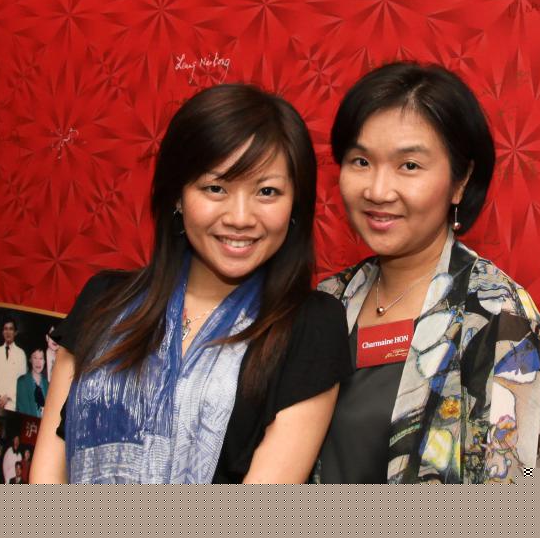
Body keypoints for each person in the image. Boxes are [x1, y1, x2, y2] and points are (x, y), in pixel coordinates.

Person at [31, 83, 346, 484]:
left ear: (294, 203)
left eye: (267, 192)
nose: (240, 217)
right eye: (216, 188)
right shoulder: (103, 301)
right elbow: (47, 473)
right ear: (178, 196)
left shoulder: (311, 326)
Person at [314, 62, 540, 482]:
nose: (377, 191)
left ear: (460, 181)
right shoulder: (329, 299)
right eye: (361, 161)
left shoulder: (497, 318)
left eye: (409, 166)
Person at [13, 347, 48, 418]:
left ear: (44, 361)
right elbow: (22, 410)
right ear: (30, 360)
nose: (38, 362)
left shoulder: (48, 384)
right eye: (35, 358)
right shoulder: (22, 382)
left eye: (41, 358)